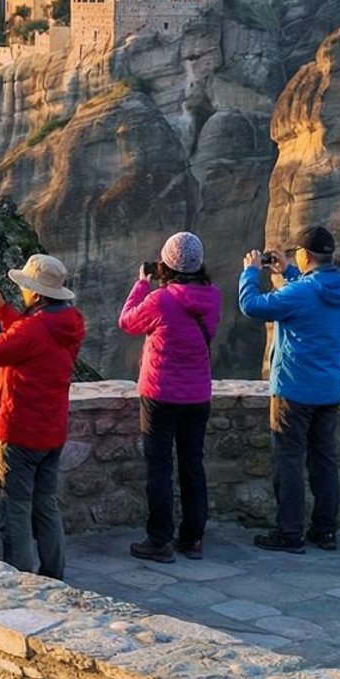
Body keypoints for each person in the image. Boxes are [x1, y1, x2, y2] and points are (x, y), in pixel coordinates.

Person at [0, 254, 85, 579]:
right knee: (46, 506)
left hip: (18, 434)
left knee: (14, 510)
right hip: (51, 432)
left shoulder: (34, 329)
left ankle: (21, 580)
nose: (24, 293)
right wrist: (3, 311)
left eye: (27, 288)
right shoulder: (70, 322)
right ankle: (53, 574)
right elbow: (29, 341)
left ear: (38, 294)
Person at [239, 226, 340, 553]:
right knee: (324, 461)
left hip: (293, 390)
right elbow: (310, 293)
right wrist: (288, 271)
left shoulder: (302, 292)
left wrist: (250, 272)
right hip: (328, 390)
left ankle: (290, 533)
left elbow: (253, 306)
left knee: (289, 462)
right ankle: (325, 531)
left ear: (306, 255)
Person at [118, 232, 221, 563]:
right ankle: (193, 538)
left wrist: (141, 285)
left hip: (160, 394)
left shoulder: (161, 300)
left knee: (159, 467)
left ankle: (160, 540)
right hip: (197, 395)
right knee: (193, 464)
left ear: (165, 265)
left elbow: (128, 323)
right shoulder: (213, 297)